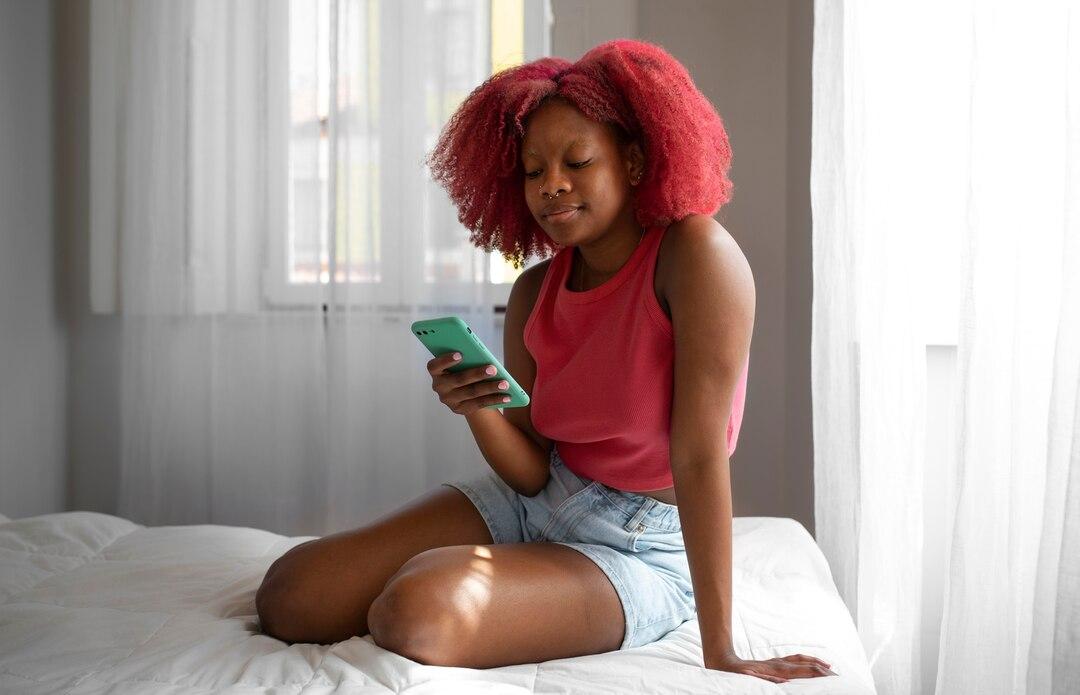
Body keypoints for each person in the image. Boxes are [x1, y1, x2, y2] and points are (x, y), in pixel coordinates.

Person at [255, 38, 835, 684]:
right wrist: (478, 408)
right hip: (537, 498)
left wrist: (721, 649)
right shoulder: (534, 291)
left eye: (576, 161)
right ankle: (522, 584)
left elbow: (699, 456)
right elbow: (530, 472)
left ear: (634, 161)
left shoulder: (695, 255)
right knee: (291, 594)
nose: (551, 185)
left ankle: (533, 591)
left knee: (415, 610)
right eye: (533, 172)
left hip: (639, 545)